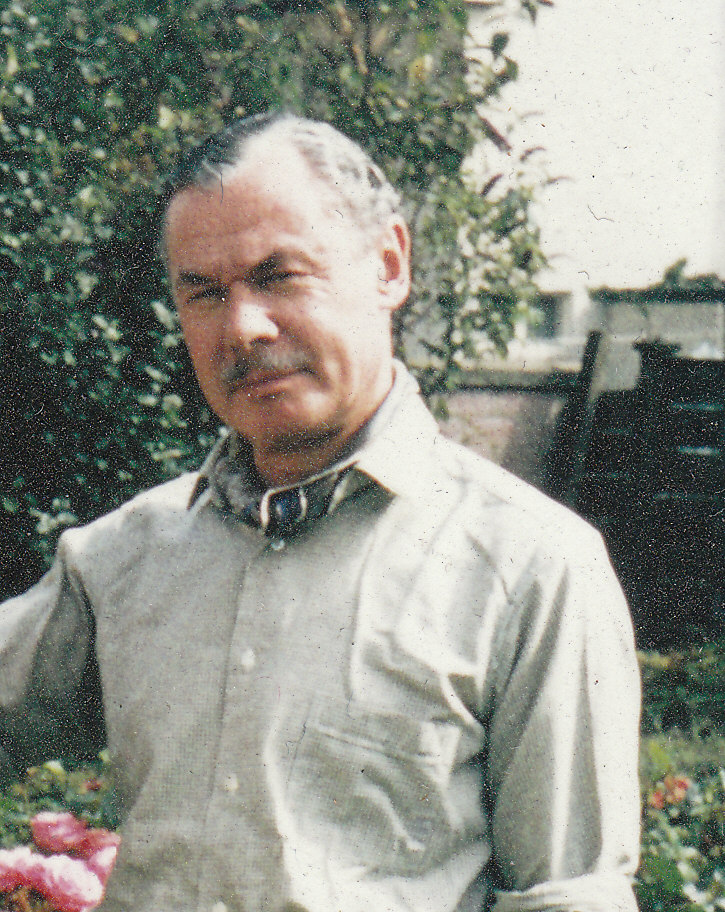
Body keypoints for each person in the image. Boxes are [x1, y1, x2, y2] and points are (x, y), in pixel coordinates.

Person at [0, 112, 641, 912]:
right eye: (204, 292)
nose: (243, 327)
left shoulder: (531, 569)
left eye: (279, 275)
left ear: (388, 265)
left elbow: (568, 896)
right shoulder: (124, 558)